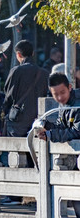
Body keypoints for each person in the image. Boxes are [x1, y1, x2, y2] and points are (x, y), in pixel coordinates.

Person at [37, 73, 80, 216]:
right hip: (73, 159)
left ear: (70, 87)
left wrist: (51, 135)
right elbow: (62, 126)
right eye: (56, 94)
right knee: (76, 198)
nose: (60, 98)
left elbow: (76, 132)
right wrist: (47, 127)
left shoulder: (78, 104)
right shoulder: (63, 106)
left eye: (62, 92)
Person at [3, 40, 49, 137]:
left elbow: (9, 95)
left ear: (18, 54)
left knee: (16, 150)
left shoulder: (16, 71)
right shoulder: (44, 73)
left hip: (18, 121)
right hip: (38, 120)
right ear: (32, 53)